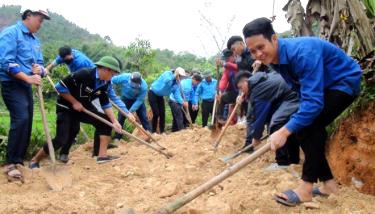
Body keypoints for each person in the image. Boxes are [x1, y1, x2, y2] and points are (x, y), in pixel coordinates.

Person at [242, 18, 362, 206]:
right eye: (252, 51)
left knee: (307, 125)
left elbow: (313, 104)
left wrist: (284, 131)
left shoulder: (302, 53)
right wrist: (294, 122)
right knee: (303, 124)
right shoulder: (274, 59)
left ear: (274, 39)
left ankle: (306, 188)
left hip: (343, 82)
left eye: (260, 47)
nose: (258, 54)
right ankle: (329, 185)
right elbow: (300, 90)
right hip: (324, 87)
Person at [29, 56, 128, 166]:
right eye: (112, 74)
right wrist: (74, 102)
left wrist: (114, 121)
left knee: (106, 123)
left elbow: (105, 103)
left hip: (83, 108)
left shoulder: (105, 83)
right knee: (61, 138)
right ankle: (35, 160)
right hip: (66, 106)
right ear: (105, 69)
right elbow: (59, 87)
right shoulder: (83, 74)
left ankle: (102, 156)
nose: (112, 77)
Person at [0, 6, 50, 181]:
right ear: (28, 16)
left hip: (26, 86)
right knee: (20, 118)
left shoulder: (35, 41)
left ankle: (19, 159)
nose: (41, 24)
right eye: (40, 19)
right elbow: (7, 63)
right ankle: (9, 163)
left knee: (27, 121)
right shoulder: (11, 33)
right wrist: (28, 78)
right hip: (12, 84)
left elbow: (42, 66)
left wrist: (40, 70)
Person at [235, 71, 300, 170]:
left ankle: (282, 163)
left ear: (245, 82)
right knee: (285, 126)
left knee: (276, 123)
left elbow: (260, 116)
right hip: (291, 94)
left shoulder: (258, 89)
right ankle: (294, 160)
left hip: (293, 96)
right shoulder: (259, 81)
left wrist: (256, 137)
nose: (241, 91)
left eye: (240, 88)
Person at [112, 71, 151, 141]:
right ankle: (117, 137)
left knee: (143, 117)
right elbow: (112, 79)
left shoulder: (144, 87)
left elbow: (139, 100)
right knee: (121, 117)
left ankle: (150, 134)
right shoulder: (125, 77)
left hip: (137, 101)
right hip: (125, 99)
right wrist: (108, 88)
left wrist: (130, 112)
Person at [148, 67, 187, 133]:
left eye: (182, 77)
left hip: (160, 96)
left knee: (162, 114)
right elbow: (166, 81)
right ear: (177, 74)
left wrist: (183, 102)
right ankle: (153, 131)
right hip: (153, 93)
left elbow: (177, 95)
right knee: (156, 113)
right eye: (181, 76)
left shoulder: (176, 84)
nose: (181, 78)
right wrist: (174, 76)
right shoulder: (167, 74)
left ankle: (162, 131)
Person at [216, 49, 239, 124]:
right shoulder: (227, 69)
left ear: (233, 56)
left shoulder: (240, 62)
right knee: (222, 98)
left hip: (245, 92)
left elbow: (236, 67)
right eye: (225, 59)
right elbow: (224, 79)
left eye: (227, 59)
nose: (226, 60)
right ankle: (220, 118)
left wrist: (225, 64)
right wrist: (220, 91)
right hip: (234, 92)